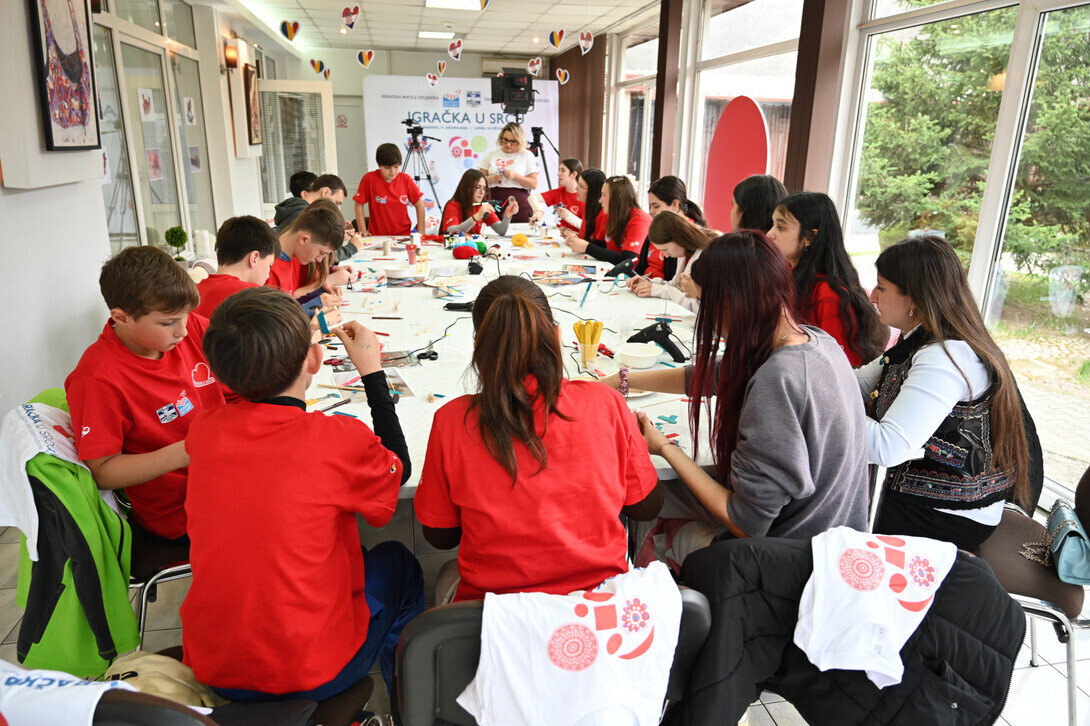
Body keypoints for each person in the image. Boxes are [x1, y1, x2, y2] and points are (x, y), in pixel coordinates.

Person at [182, 286, 424, 701]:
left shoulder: (203, 431)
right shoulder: (337, 438)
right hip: (311, 671)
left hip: (216, 667)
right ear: (315, 359)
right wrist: (372, 372)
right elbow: (398, 468)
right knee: (400, 562)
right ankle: (407, 697)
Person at [603, 231, 869, 566]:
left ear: (732, 301)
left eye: (707, 305)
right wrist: (622, 380)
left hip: (789, 562)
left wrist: (664, 447)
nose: (709, 320)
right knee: (655, 491)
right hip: (831, 540)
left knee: (643, 500)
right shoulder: (815, 340)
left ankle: (657, 588)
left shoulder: (778, 379)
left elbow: (745, 522)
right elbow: (710, 376)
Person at [414, 276, 663, 602]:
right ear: (558, 337)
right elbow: (645, 507)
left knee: (447, 573)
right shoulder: (606, 404)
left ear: (478, 347)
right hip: (595, 613)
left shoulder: (452, 421)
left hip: (497, 616)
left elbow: (441, 535)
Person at [858, 235, 1029, 550]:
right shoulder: (923, 337)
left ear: (915, 299)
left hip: (946, 515)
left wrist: (824, 413)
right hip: (927, 500)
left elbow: (887, 446)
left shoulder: (944, 358)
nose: (872, 296)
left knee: (821, 504)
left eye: (881, 287)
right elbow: (856, 382)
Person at [65, 246, 226, 542]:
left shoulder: (185, 327)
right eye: (168, 323)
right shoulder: (99, 379)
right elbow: (103, 472)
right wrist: (187, 451)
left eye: (186, 316)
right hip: (183, 509)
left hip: (224, 471)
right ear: (122, 317)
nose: (183, 331)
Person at [766, 192, 888, 367]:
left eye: (781, 227)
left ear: (810, 237)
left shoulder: (828, 293)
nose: (770, 234)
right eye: (773, 225)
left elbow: (836, 364)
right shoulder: (788, 273)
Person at [562, 175, 656, 276]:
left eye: (603, 195)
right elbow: (599, 244)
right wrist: (577, 242)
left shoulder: (640, 220)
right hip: (612, 270)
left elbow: (627, 259)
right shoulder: (610, 215)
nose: (600, 200)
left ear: (617, 198)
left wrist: (586, 247)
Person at [629, 211, 716, 314]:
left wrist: (658, 290)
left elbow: (697, 305)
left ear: (678, 238)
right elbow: (676, 286)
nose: (666, 255)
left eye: (665, 249)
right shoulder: (684, 251)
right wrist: (649, 283)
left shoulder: (707, 255)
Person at [193, 216, 278, 319]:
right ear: (254, 258)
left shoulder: (194, 292)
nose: (268, 275)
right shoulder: (254, 297)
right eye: (269, 265)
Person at [636, 175, 709, 284]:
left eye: (656, 206)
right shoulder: (658, 229)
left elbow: (680, 286)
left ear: (675, 204)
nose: (651, 211)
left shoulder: (686, 238)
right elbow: (641, 267)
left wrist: (653, 287)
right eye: (650, 206)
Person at [268, 199, 345, 297]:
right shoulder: (271, 268)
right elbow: (285, 303)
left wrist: (319, 289)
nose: (320, 260)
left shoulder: (296, 254)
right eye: (321, 253)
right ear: (304, 239)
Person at [353, 143, 427, 236]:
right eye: (387, 168)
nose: (392, 171)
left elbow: (419, 204)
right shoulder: (369, 179)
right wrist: (363, 231)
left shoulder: (406, 179)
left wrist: (421, 231)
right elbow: (358, 204)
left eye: (396, 167)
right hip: (377, 235)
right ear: (379, 165)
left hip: (403, 235)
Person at [478, 122, 539, 223]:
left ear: (519, 141)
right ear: (501, 137)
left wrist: (515, 176)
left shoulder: (526, 155)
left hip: (520, 204)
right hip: (493, 202)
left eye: (512, 141)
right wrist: (492, 178)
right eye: (505, 140)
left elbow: (534, 184)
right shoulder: (492, 154)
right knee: (491, 231)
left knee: (521, 232)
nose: (508, 144)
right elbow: (478, 180)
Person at [441, 169, 518, 236]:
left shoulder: (482, 205)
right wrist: (476, 217)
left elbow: (501, 231)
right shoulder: (453, 205)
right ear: (467, 188)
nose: (482, 192)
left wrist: (507, 216)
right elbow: (451, 232)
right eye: (478, 187)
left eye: (484, 188)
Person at [528, 158, 583, 232]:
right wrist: (539, 211)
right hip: (559, 235)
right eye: (559, 170)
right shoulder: (558, 192)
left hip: (577, 237)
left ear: (574, 174)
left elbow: (587, 227)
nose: (558, 174)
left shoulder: (584, 196)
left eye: (563, 170)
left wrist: (568, 216)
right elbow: (532, 198)